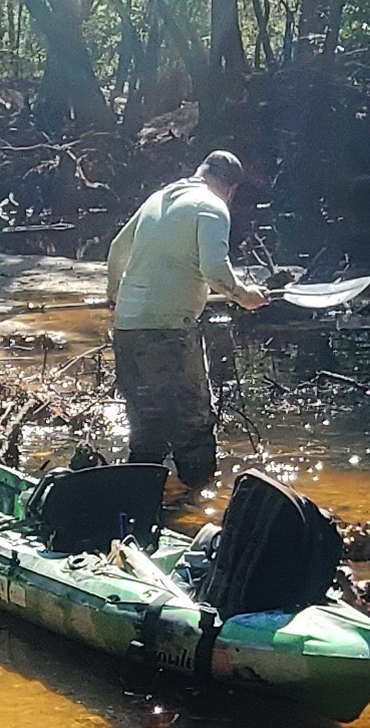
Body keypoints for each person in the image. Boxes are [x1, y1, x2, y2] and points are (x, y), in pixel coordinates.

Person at [103, 150, 269, 489]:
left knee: (145, 429)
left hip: (127, 329)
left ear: (200, 171)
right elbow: (214, 271)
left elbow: (118, 248)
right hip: (169, 331)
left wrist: (115, 292)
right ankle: (200, 506)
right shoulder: (211, 206)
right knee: (192, 427)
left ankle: (141, 505)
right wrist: (244, 296)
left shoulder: (158, 198)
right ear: (231, 188)